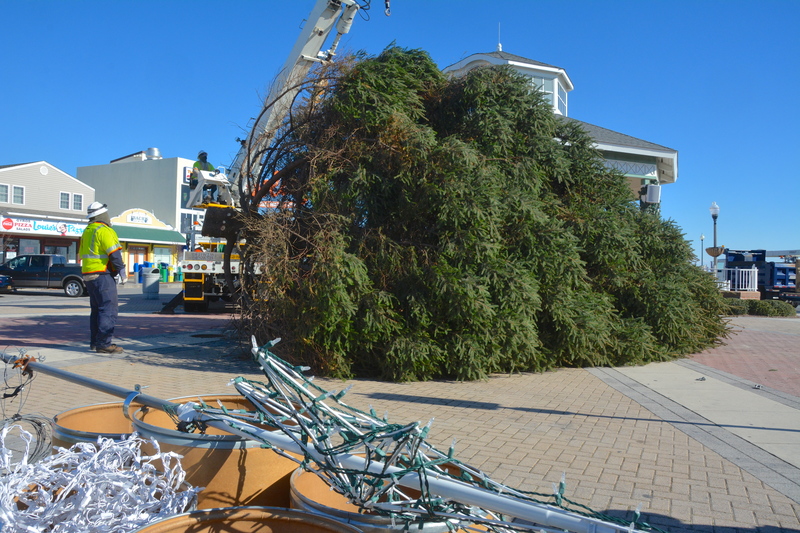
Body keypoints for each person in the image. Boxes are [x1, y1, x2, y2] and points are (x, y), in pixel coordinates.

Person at [79, 201, 126, 354]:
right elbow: (114, 254)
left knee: (97, 310)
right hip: (102, 275)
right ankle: (104, 344)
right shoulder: (104, 230)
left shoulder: (87, 231)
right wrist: (121, 271)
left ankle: (95, 342)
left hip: (88, 276)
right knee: (108, 310)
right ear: (103, 215)